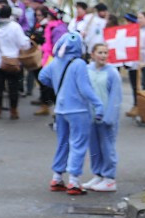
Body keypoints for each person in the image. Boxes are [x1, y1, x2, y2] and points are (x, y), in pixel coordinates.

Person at [38, 32, 105, 194]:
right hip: (78, 110)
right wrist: (98, 104)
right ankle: (74, 181)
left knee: (63, 143)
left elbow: (42, 77)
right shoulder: (79, 64)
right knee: (78, 144)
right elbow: (85, 88)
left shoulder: (55, 63)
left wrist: (58, 87)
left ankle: (57, 177)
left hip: (60, 110)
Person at [84, 43, 123, 192]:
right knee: (94, 147)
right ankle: (98, 174)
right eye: (100, 52)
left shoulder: (112, 73)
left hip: (106, 117)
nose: (103, 55)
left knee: (107, 147)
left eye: (106, 53)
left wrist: (109, 117)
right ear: (92, 54)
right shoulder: (87, 71)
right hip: (91, 117)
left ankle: (109, 178)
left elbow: (115, 97)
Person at [0, 4, 30, 119]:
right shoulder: (15, 27)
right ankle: (14, 111)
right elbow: (23, 43)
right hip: (12, 61)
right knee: (13, 87)